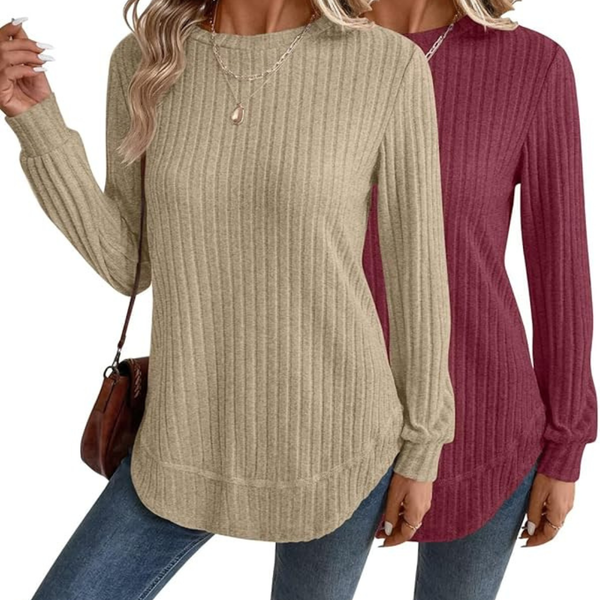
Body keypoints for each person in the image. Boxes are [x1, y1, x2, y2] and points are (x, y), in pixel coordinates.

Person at [0, 1, 455, 598]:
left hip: (338, 440)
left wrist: (423, 449)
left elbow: (417, 271)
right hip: (184, 438)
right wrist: (36, 121)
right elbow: (127, 262)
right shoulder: (145, 60)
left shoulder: (386, 64)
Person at [362, 1, 597, 598]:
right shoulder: (309, 49)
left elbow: (560, 270)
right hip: (330, 414)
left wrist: (566, 446)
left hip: (484, 420)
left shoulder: (532, 64)